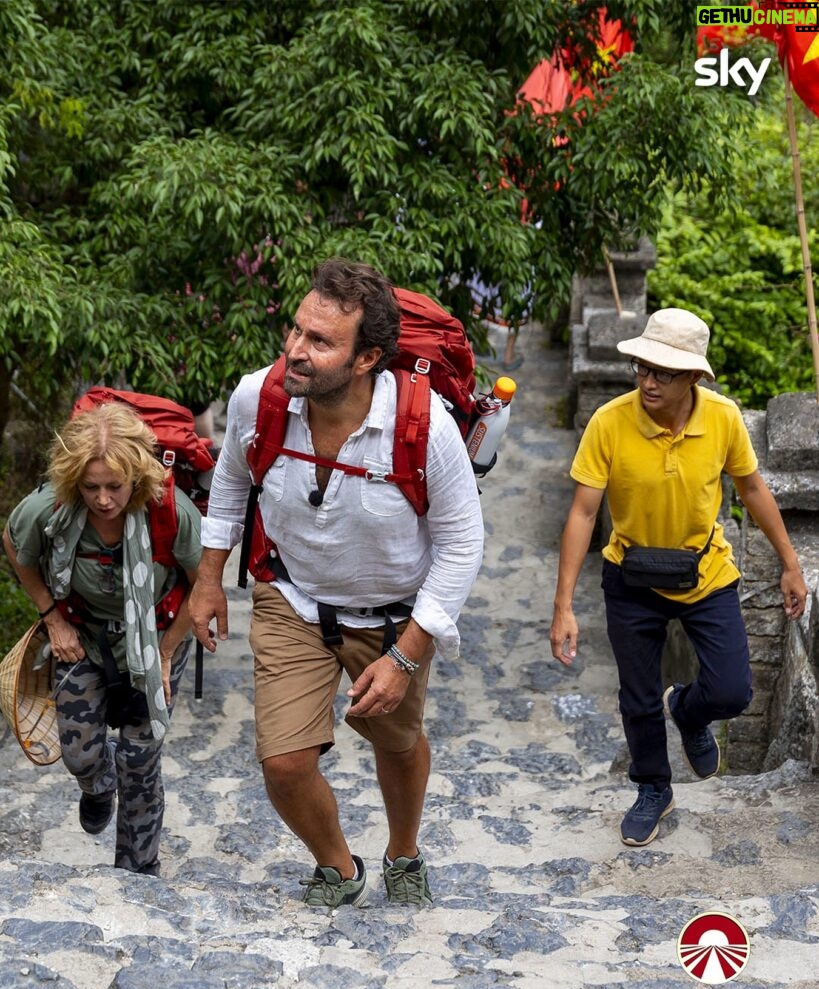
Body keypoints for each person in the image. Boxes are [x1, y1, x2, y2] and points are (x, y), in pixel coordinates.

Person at [188, 257, 484, 907]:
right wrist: (209, 578)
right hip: (291, 599)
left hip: (391, 616)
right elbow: (233, 479)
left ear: (365, 359)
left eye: (319, 342)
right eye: (295, 331)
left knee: (397, 745)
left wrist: (406, 656)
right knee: (284, 762)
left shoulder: (424, 426)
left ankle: (403, 851)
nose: (295, 350)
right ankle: (338, 866)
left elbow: (463, 543)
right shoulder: (256, 398)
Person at [548, 308, 807, 847]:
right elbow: (581, 513)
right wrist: (564, 605)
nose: (647, 381)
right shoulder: (610, 422)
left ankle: (687, 712)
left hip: (705, 571)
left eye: (663, 373)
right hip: (630, 574)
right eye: (643, 368)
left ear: (694, 376)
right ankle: (653, 787)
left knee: (733, 690)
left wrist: (791, 562)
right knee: (636, 697)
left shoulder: (723, 418)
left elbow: (754, 489)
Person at [2, 403, 201, 875]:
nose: (103, 499)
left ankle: (138, 869)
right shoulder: (50, 505)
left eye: (115, 486)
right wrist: (52, 617)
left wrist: (167, 652)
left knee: (140, 756)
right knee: (81, 753)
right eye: (91, 487)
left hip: (157, 637)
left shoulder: (170, 509)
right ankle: (97, 785)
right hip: (82, 634)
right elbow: (14, 545)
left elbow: (203, 585)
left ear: (137, 477)